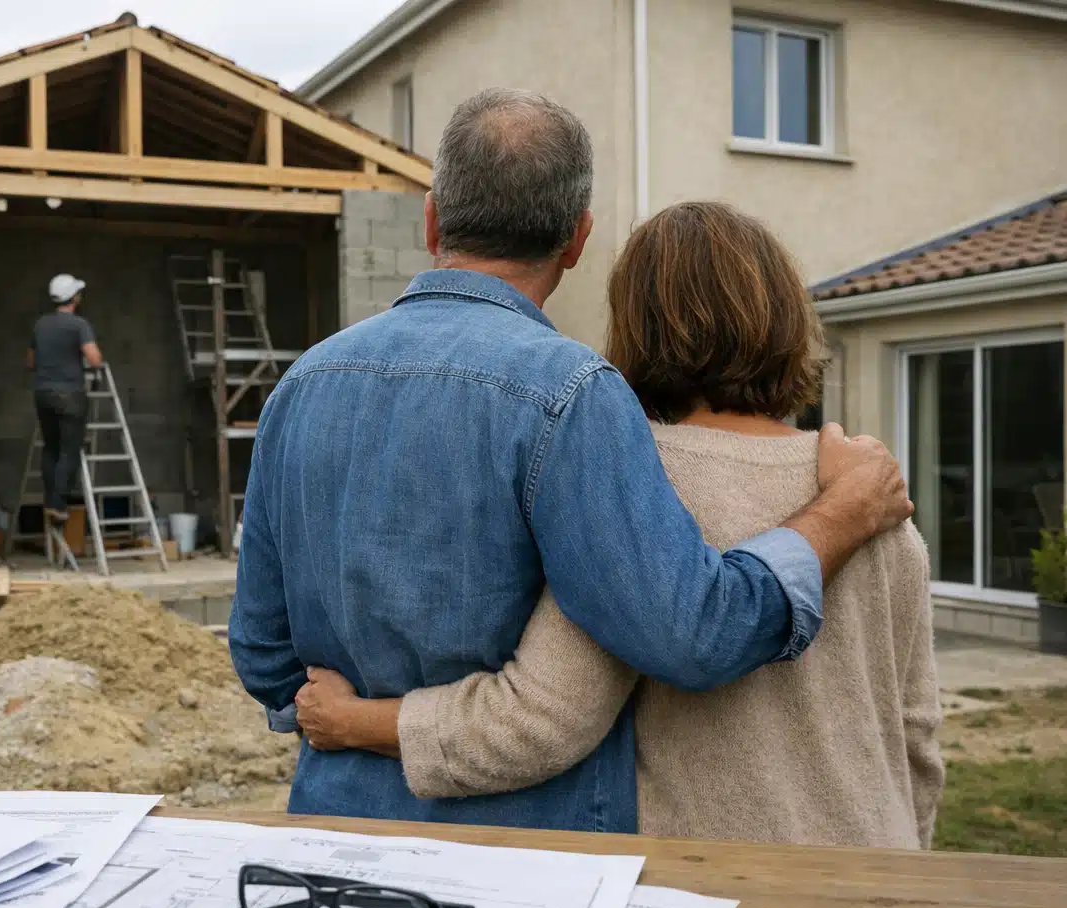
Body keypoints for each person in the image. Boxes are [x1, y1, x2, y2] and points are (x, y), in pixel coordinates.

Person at [229, 89, 912, 833]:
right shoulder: (570, 396)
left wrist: (342, 719)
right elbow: (689, 634)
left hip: (335, 833)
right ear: (578, 239)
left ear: (432, 220)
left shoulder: (301, 384)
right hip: (526, 854)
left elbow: (262, 649)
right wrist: (844, 511)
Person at [29, 273, 103, 524]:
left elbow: (30, 361)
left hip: (43, 393)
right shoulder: (78, 325)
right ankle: (58, 504)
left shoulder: (40, 324)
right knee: (70, 450)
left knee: (51, 448)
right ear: (74, 298)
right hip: (69, 394)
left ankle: (50, 500)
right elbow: (94, 359)